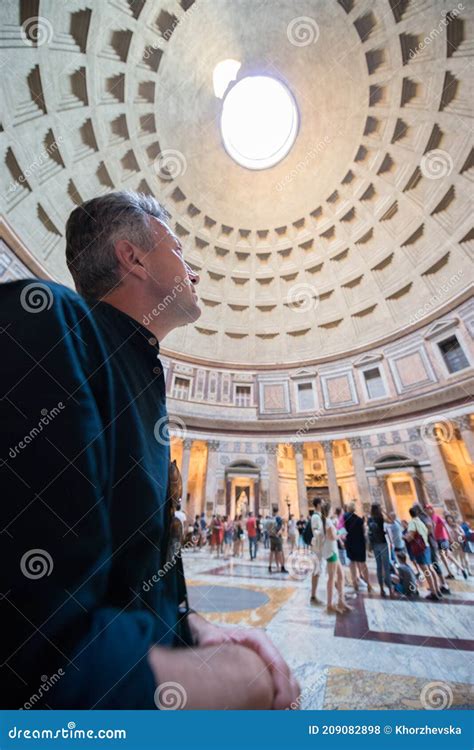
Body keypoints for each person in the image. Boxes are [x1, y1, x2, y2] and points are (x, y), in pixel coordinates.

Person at [0, 191, 299, 709]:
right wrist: (237, 682)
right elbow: (31, 653)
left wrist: (193, 628)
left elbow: (129, 577)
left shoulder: (139, 374)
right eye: (179, 249)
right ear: (132, 257)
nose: (194, 270)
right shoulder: (47, 323)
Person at [321, 502, 352, 615]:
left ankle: (341, 601)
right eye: (331, 510)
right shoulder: (327, 521)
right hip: (332, 551)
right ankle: (329, 604)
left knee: (341, 575)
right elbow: (332, 536)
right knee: (332, 577)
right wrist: (341, 532)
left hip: (332, 550)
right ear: (328, 510)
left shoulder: (325, 521)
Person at [406, 506, 441, 600]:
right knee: (430, 569)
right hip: (427, 546)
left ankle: (433, 592)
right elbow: (430, 528)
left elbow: (410, 536)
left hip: (419, 548)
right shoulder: (424, 520)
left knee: (426, 570)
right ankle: (437, 590)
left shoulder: (414, 522)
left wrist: (404, 537)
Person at [425, 504, 468, 579]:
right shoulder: (433, 517)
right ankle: (454, 571)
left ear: (431, 509)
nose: (427, 511)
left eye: (428, 509)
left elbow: (434, 526)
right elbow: (445, 526)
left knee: (447, 555)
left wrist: (449, 537)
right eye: (426, 510)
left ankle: (457, 570)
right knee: (445, 556)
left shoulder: (434, 517)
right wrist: (449, 537)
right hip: (441, 539)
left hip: (441, 539)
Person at [344, 501, 372, 593]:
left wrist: (341, 538)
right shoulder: (360, 520)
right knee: (363, 564)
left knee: (352, 564)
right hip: (360, 543)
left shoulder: (344, 517)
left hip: (350, 543)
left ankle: (355, 583)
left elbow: (341, 530)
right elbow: (363, 532)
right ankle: (368, 584)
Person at [368, 504, 394, 598]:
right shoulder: (380, 518)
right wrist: (384, 511)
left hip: (375, 544)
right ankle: (390, 589)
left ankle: (382, 589)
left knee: (379, 567)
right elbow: (392, 521)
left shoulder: (370, 519)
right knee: (386, 567)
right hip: (383, 543)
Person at [310, 499, 324, 605]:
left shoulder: (320, 516)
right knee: (316, 570)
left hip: (323, 547)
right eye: (322, 502)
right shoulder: (315, 517)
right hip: (317, 547)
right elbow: (315, 531)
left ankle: (340, 594)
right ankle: (313, 596)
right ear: (318, 504)